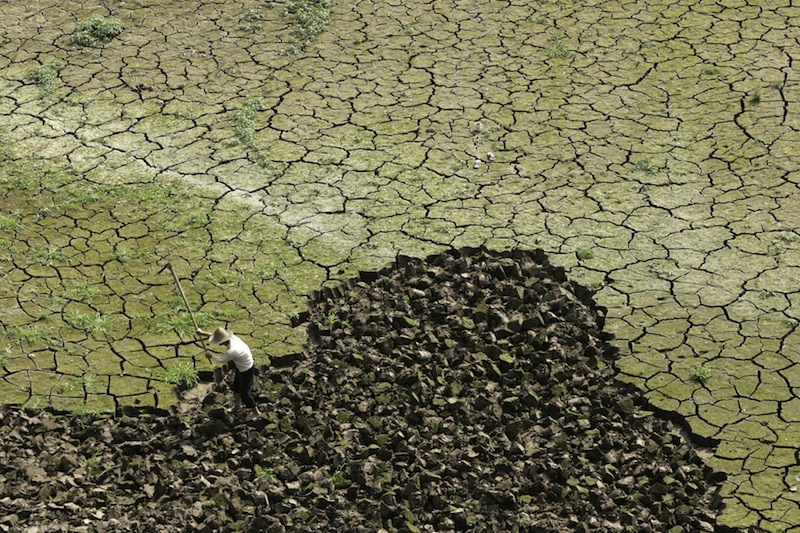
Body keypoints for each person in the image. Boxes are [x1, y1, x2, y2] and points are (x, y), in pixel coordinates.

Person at [196, 327, 261, 420]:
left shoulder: (232, 351)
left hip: (247, 369)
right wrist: (202, 333)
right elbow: (216, 336)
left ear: (222, 341)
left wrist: (211, 356)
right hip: (240, 367)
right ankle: (237, 405)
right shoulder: (232, 337)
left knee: (244, 392)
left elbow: (222, 360)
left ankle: (256, 412)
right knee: (236, 386)